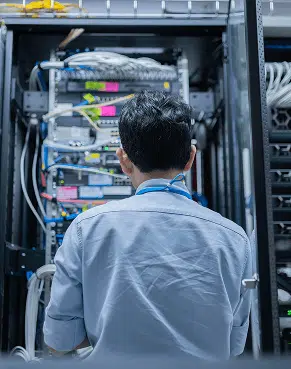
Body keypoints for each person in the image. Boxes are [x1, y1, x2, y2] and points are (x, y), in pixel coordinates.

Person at [43, 90, 252, 361]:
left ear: (123, 160)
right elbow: (234, 346)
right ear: (190, 157)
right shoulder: (235, 240)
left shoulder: (87, 229)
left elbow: (60, 342)